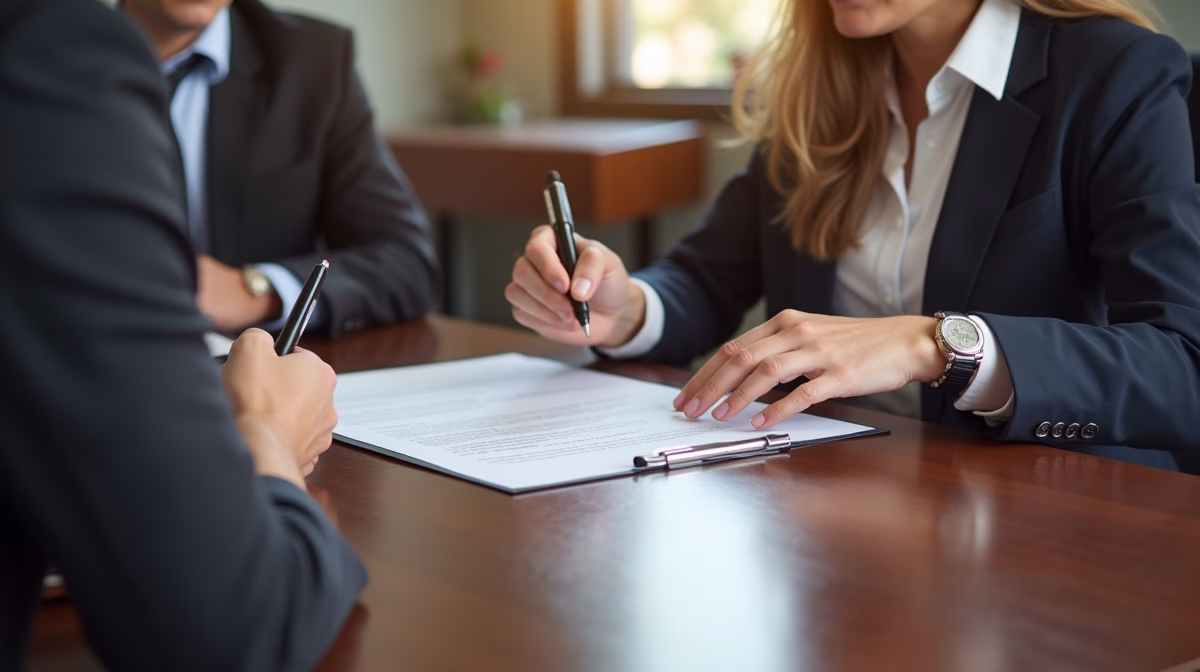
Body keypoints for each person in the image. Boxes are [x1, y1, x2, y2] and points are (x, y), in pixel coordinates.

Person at [506, 0, 1200, 470]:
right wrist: (628, 307)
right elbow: (707, 278)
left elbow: (1182, 365)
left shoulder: (1115, 73)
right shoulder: (817, 80)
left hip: (1051, 517)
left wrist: (934, 344)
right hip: (839, 497)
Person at [0, 0, 365, 668]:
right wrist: (268, 430)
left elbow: (402, 251)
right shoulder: (53, 54)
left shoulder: (312, 57)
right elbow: (235, 630)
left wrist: (250, 286)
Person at [122, 0, 440, 337]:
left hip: (254, 354)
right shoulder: (77, 59)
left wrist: (256, 291)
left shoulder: (313, 59)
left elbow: (407, 265)